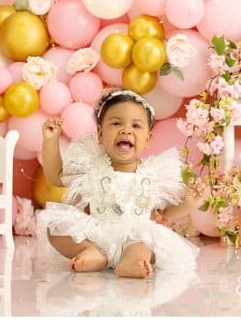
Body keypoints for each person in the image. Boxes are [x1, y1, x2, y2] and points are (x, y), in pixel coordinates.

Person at [37, 88, 201, 279]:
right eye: (116, 123)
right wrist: (50, 140)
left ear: (147, 139)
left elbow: (166, 214)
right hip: (97, 235)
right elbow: (55, 176)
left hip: (135, 238)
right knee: (57, 229)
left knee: (146, 242)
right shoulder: (92, 166)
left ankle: (132, 261)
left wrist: (189, 203)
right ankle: (91, 252)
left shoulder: (154, 173)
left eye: (136, 126)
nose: (126, 130)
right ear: (100, 134)